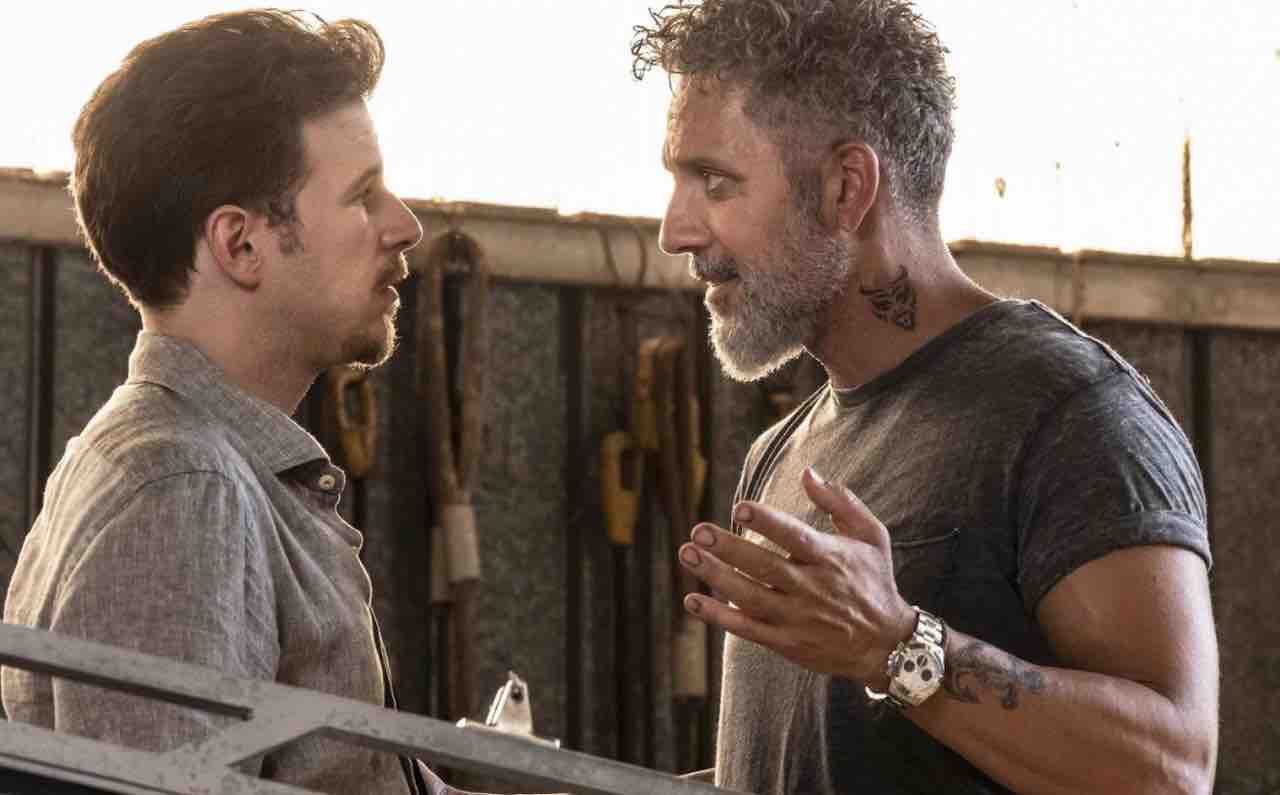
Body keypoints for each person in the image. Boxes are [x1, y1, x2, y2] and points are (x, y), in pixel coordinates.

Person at [633, 1, 1219, 793]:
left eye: (713, 181)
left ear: (847, 188)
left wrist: (896, 648)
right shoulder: (781, 453)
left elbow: (1170, 769)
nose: (675, 231)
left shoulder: (1072, 414)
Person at [0, 10, 440, 794]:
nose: (404, 226)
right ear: (241, 244)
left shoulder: (212, 473)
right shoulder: (181, 490)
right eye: (362, 195)